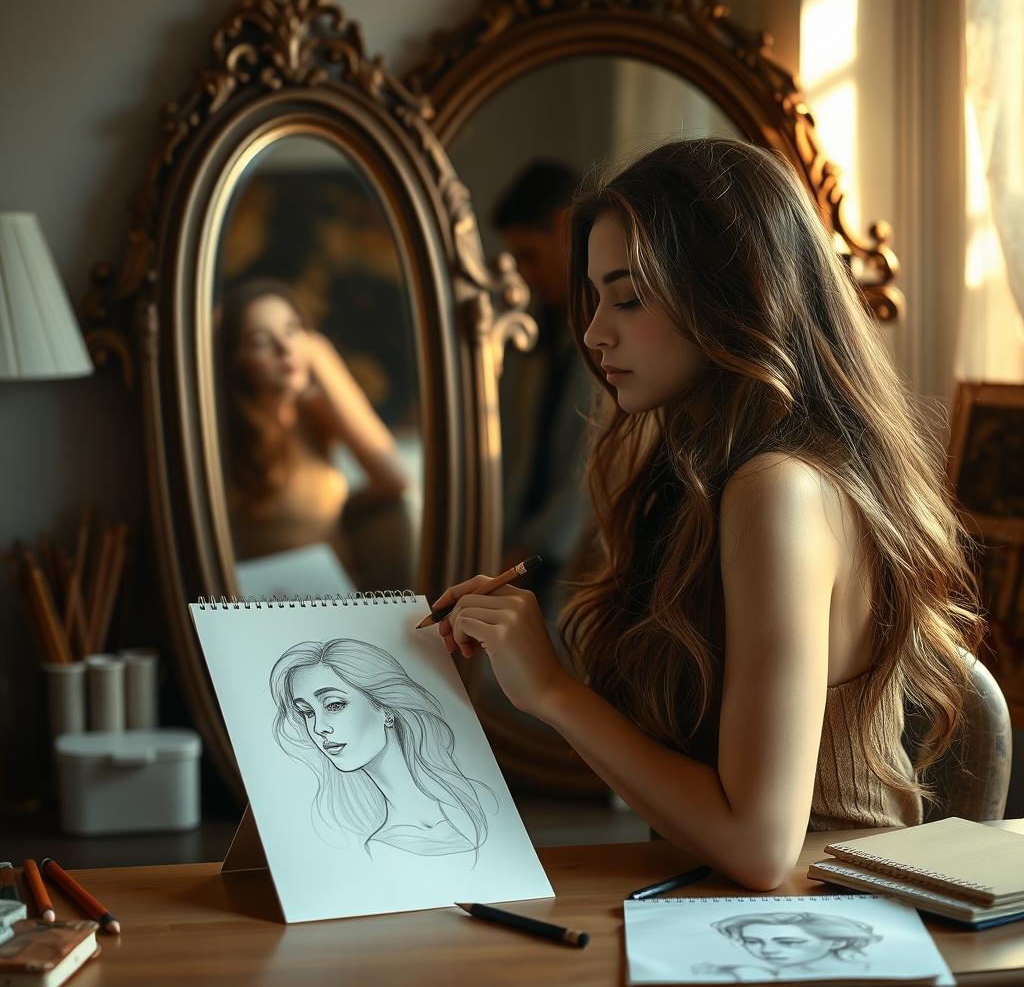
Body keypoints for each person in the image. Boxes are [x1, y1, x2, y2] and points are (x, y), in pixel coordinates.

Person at [429, 138, 984, 891]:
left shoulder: (778, 489)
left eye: (627, 298)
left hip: (831, 918)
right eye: (594, 298)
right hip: (717, 898)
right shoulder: (712, 479)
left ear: (734, 294)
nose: (594, 332)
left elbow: (761, 846)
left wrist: (554, 692)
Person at [216, 279, 408, 569]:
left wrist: (322, 354)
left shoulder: (314, 411)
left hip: (334, 595)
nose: (284, 349)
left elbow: (395, 480)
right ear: (235, 361)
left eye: (292, 329)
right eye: (260, 341)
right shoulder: (223, 432)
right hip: (262, 600)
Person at [269, 638, 496, 857]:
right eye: (307, 713)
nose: (319, 728)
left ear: (386, 710)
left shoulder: (485, 802)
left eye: (334, 705)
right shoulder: (373, 845)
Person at [492, 161, 593, 614]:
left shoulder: (610, 341)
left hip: (582, 560)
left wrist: (527, 552)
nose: (524, 275)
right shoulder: (537, 336)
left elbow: (591, 469)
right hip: (527, 551)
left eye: (530, 255)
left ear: (565, 227)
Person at [696, 911, 880, 980]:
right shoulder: (746, 973)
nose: (766, 950)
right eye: (752, 941)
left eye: (790, 942)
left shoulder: (874, 973)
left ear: (838, 941)